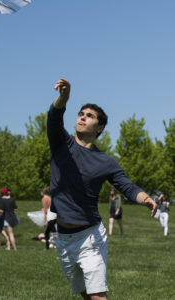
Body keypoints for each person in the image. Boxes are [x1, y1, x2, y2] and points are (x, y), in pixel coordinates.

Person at [47, 78, 157, 300]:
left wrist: (146, 199)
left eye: (89, 116)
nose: (82, 117)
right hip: (63, 238)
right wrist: (64, 98)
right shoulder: (61, 143)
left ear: (99, 128)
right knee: (86, 294)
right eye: (81, 113)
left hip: (90, 237)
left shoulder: (105, 162)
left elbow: (126, 186)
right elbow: (54, 118)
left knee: (98, 297)